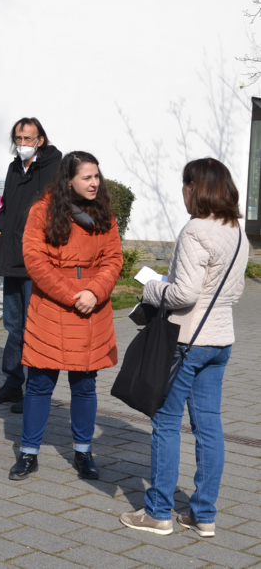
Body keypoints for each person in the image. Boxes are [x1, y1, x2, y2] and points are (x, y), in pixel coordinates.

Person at [120, 158, 249, 537]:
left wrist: (153, 287)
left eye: (184, 184)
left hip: (188, 341)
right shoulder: (237, 232)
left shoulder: (195, 230)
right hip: (220, 341)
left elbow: (184, 293)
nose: (182, 191)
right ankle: (203, 515)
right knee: (209, 427)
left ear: (195, 186)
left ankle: (158, 512)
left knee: (165, 423)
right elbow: (236, 292)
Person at [8, 151, 122, 482]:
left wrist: (94, 292)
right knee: (40, 385)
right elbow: (35, 260)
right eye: (87, 177)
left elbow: (113, 259)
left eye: (97, 176)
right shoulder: (42, 211)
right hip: (52, 308)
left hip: (92, 310)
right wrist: (73, 295)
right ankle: (29, 453)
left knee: (85, 386)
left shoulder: (104, 213)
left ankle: (84, 452)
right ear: (68, 180)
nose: (94, 183)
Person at [0, 118, 62, 413]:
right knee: (12, 325)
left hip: (37, 258)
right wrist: (1, 230)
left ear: (40, 139)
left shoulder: (55, 166)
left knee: (34, 326)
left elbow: (57, 209)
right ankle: (12, 383)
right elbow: (6, 204)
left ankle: (36, 391)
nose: (22, 144)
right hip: (11, 255)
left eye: (28, 139)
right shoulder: (14, 166)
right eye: (18, 138)